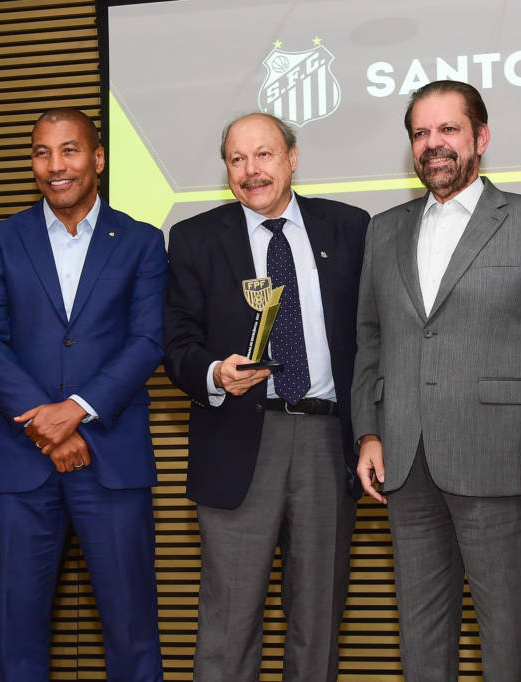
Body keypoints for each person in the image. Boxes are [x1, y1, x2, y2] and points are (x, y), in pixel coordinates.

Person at [351, 79, 521, 681]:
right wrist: (369, 432)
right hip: (406, 461)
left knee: (509, 639)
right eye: (420, 133)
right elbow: (370, 339)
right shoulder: (383, 229)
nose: (434, 144)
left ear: (481, 137)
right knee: (421, 640)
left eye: (448, 129)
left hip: (500, 458)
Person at [164, 112, 369, 681]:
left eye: (264, 155)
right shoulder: (195, 238)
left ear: (292, 159)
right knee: (228, 622)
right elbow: (175, 341)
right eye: (237, 159)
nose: (251, 170)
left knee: (317, 617)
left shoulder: (349, 227)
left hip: (327, 439)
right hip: (237, 440)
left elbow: (374, 335)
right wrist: (213, 373)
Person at [0, 108, 166, 682]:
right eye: (41, 152)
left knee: (132, 631)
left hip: (112, 457)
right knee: (17, 634)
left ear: (98, 158)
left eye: (70, 150)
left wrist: (76, 411)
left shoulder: (142, 241)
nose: (55, 165)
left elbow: (148, 340)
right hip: (18, 461)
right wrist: (45, 427)